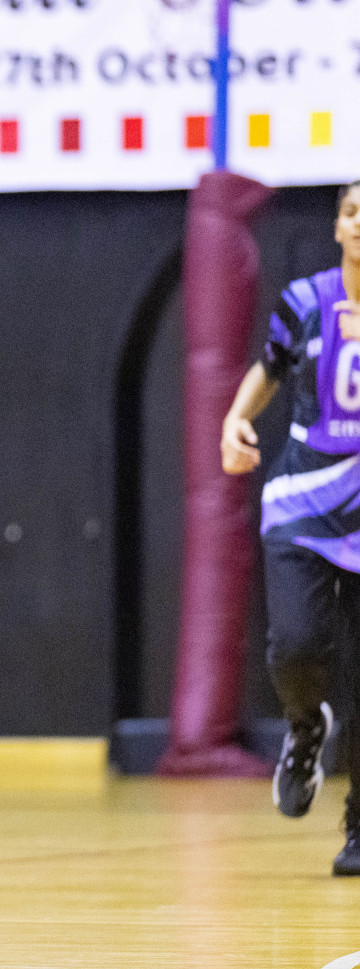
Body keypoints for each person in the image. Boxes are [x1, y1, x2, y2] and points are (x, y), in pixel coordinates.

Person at [222, 179, 360, 873]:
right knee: (298, 645)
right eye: (351, 212)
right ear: (337, 227)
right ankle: (307, 730)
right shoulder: (307, 302)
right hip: (306, 498)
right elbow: (269, 367)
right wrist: (235, 418)